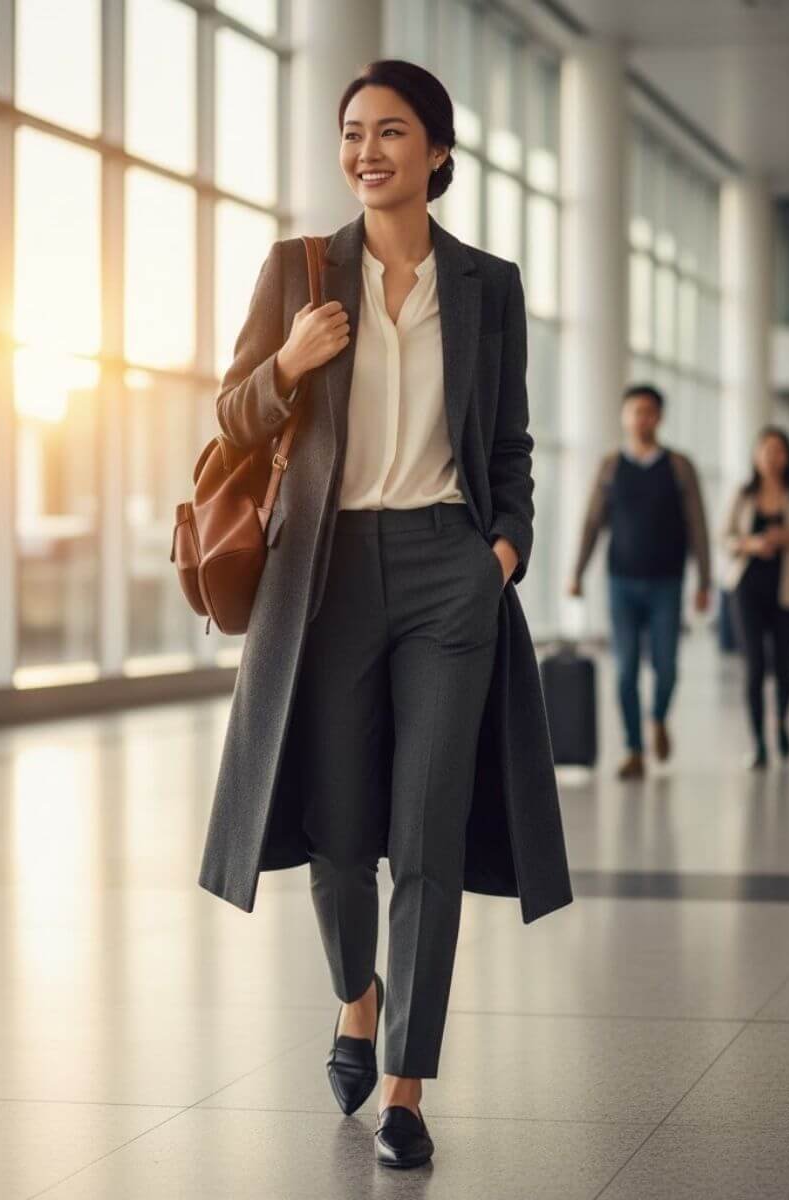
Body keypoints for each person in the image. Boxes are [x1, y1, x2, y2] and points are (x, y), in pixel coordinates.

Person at [197, 59, 573, 1170]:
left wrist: (504, 549)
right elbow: (229, 419)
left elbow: (509, 442)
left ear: (438, 152)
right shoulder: (299, 270)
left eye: (393, 131)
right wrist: (289, 360)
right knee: (339, 830)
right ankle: (355, 996)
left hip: (450, 571)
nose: (368, 150)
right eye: (354, 132)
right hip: (327, 575)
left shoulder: (489, 285)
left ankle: (407, 1082)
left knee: (427, 831)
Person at [568, 385, 711, 780]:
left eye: (649, 412)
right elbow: (592, 522)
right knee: (625, 671)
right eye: (635, 411)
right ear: (624, 417)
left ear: (659, 418)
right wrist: (576, 573)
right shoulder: (611, 466)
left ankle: (658, 718)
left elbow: (698, 524)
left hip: (668, 582)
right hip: (622, 583)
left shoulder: (680, 466)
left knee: (666, 668)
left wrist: (705, 580)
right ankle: (634, 748)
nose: (641, 419)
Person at [720, 425, 789, 768]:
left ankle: (781, 723)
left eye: (779, 450)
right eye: (766, 450)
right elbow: (726, 537)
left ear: (788, 456)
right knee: (754, 667)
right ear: (756, 455)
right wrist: (752, 543)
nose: (772, 457)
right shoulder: (743, 495)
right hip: (747, 587)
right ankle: (759, 742)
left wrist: (788, 538)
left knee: (784, 667)